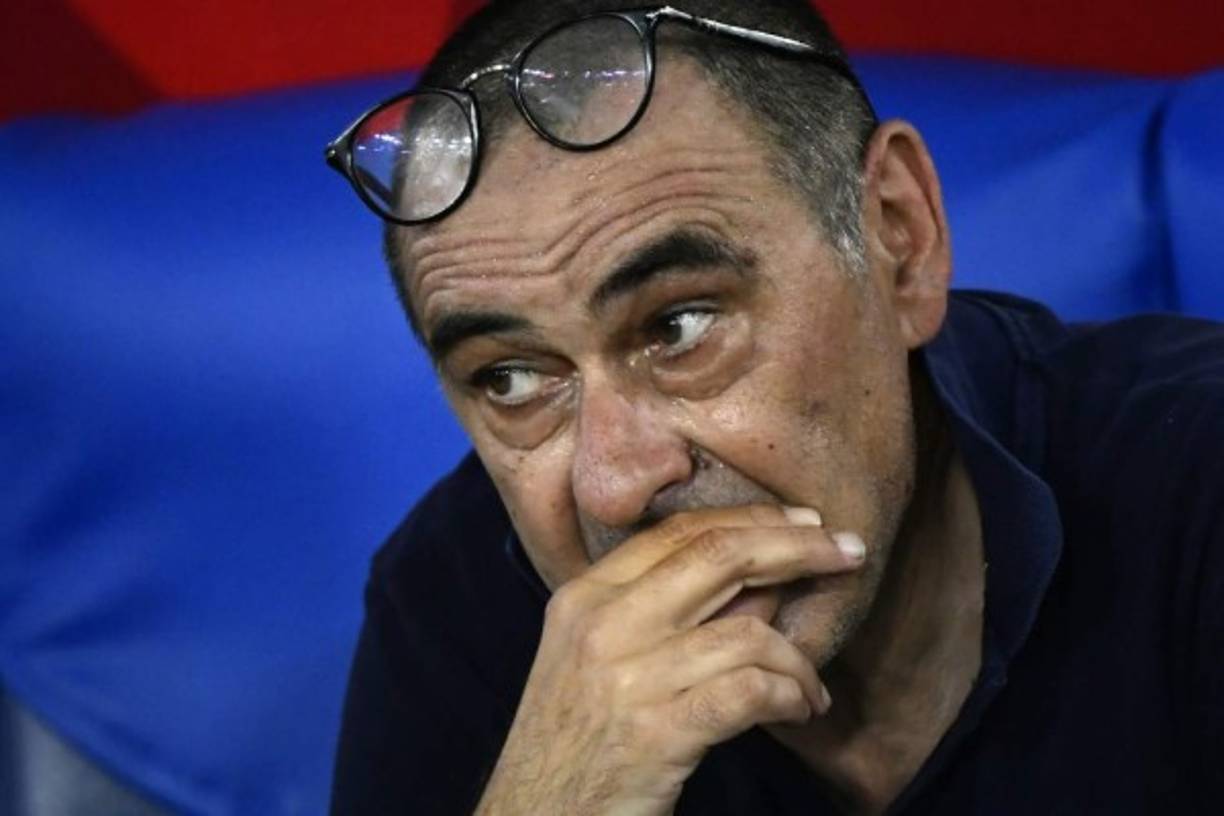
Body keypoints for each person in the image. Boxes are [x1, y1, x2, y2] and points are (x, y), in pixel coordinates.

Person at [325, 1, 1224, 813]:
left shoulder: (1196, 479)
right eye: (512, 380)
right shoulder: (447, 609)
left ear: (899, 241)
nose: (615, 484)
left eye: (678, 323)